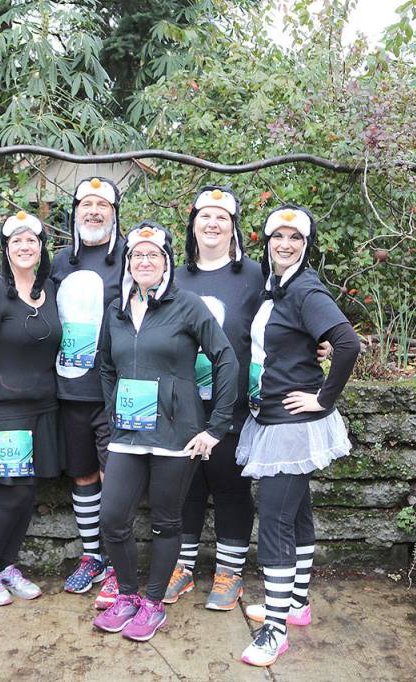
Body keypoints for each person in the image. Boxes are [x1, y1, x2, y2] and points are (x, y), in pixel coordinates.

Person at [93, 222, 239, 642]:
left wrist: (216, 427)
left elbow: (226, 359)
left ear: (166, 262)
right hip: (128, 432)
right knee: (112, 517)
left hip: (178, 433)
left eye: (153, 255)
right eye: (137, 254)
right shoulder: (116, 310)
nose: (144, 261)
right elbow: (106, 366)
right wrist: (113, 410)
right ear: (128, 263)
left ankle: (153, 603)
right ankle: (127, 595)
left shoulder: (188, 305)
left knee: (166, 520)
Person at [235, 205, 360, 666]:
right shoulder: (277, 286)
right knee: (297, 511)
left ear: (307, 246)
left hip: (291, 426)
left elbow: (348, 343)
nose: (285, 245)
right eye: (278, 237)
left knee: (274, 521)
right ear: (266, 242)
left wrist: (323, 399)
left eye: (296, 238)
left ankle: (274, 630)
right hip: (271, 417)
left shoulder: (305, 288)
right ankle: (296, 603)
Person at [164, 186, 263, 611]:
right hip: (181, 405)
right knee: (184, 487)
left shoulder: (254, 275)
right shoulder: (174, 276)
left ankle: (229, 573)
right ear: (193, 225)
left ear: (233, 226)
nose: (212, 223)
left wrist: (316, 344)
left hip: (233, 404)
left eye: (222, 217)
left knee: (230, 486)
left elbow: (281, 319)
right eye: (205, 215)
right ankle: (182, 567)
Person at [0, 210, 64, 606]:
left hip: (43, 410)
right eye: (16, 240)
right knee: (13, 495)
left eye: (31, 240)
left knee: (27, 492)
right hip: (4, 414)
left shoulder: (50, 289)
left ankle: (7, 566)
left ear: (41, 247)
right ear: (6, 248)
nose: (24, 246)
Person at [50, 177, 125, 602]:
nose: (94, 212)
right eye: (86, 204)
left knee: (114, 478)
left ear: (114, 213)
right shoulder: (61, 260)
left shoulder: (129, 256)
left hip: (114, 392)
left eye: (102, 205)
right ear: (75, 211)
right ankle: (92, 556)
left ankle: (117, 563)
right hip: (69, 391)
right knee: (82, 475)